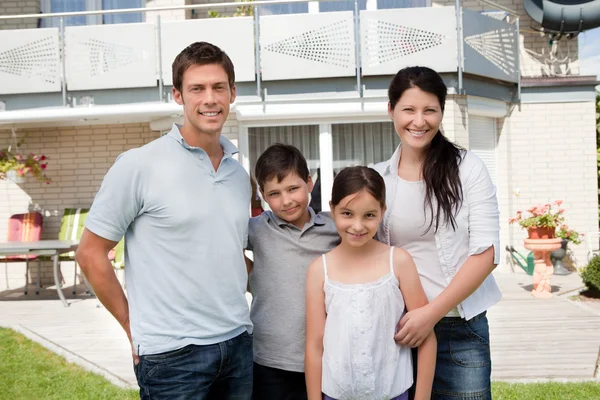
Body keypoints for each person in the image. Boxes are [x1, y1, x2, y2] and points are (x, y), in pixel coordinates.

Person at [75, 42, 253, 400]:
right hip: (172, 357)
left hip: (238, 344)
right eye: (197, 89)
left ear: (232, 93)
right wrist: (131, 325)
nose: (210, 99)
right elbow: (91, 254)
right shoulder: (138, 165)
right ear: (177, 95)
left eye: (219, 87)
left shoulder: (237, 174)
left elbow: (231, 255)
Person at [374, 66, 501, 400]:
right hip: (398, 331)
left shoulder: (467, 168)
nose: (419, 121)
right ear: (391, 110)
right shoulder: (378, 179)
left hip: (459, 329)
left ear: (441, 112)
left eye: (430, 110)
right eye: (409, 110)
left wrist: (430, 315)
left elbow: (486, 254)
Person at [305, 166, 437, 400]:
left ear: (382, 211)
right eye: (347, 214)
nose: (357, 226)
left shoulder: (398, 262)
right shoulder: (319, 270)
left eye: (369, 215)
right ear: (332, 209)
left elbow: (426, 337)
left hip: (393, 393)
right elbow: (315, 346)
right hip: (335, 394)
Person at [248, 143, 340, 400]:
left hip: (328, 355)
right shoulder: (256, 229)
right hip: (270, 360)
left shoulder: (334, 228)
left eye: (293, 188)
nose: (286, 200)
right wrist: (255, 277)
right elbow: (221, 245)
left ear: (309, 182)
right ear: (263, 195)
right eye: (275, 193)